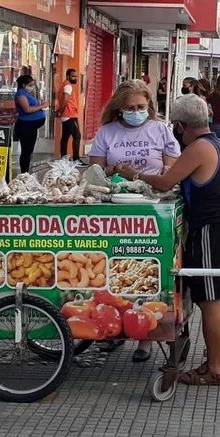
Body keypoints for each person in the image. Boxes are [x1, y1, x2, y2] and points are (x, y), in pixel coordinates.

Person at [117, 94, 220, 385]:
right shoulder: (214, 143)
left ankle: (215, 370)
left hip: (213, 232)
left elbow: (165, 182)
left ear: (179, 126)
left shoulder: (198, 147)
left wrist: (134, 174)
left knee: (209, 303)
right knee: (213, 303)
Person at [89, 80, 181, 362]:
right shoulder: (107, 132)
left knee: (145, 270)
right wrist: (114, 170)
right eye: (130, 108)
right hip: (115, 209)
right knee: (113, 268)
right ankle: (114, 329)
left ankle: (145, 337)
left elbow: (173, 167)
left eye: (141, 107)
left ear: (149, 106)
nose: (136, 112)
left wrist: (156, 174)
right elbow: (94, 171)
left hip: (153, 210)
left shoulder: (160, 130)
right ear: (119, 108)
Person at [14, 74, 49, 173]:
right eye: (30, 85)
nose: (32, 87)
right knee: (26, 151)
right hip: (25, 126)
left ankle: (27, 172)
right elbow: (27, 109)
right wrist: (41, 107)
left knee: (29, 151)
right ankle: (24, 173)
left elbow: (33, 106)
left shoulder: (27, 93)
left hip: (32, 127)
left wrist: (40, 105)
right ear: (24, 85)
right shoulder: (20, 94)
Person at [57, 69, 81, 163]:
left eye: (76, 76)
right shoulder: (68, 86)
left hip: (66, 115)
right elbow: (65, 100)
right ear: (68, 76)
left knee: (65, 136)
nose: (75, 78)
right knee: (77, 136)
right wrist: (61, 111)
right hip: (69, 114)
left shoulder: (64, 84)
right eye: (73, 76)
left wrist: (60, 111)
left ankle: (64, 158)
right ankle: (76, 159)